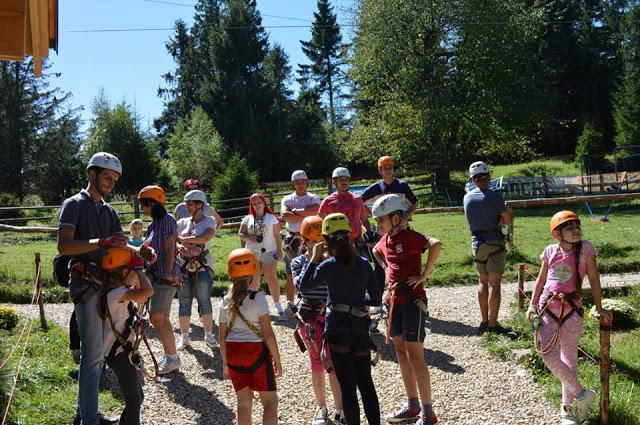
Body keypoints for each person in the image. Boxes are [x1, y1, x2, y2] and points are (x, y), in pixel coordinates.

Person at [526, 211, 612, 425]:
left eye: (577, 226)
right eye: (569, 227)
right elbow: (541, 280)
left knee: (570, 360)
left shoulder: (585, 249)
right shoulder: (549, 251)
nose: (575, 230)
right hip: (548, 310)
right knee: (549, 357)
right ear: (557, 234)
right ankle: (583, 395)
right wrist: (532, 304)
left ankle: (568, 410)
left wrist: (599, 307)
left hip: (572, 310)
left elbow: (593, 278)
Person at [57, 151, 124, 425]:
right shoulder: (73, 204)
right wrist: (100, 241)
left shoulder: (109, 211)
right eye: (107, 177)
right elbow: (64, 246)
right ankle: (89, 421)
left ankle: (83, 414)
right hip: (86, 285)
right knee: (93, 356)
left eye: (115, 179)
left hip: (107, 286)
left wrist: (140, 252)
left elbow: (118, 244)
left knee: (96, 355)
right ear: (92, 174)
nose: (111, 183)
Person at [300, 213, 382, 425]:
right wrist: (356, 298)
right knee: (366, 385)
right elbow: (375, 298)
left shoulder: (328, 266)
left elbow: (304, 287)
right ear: (350, 237)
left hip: (337, 329)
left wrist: (314, 258)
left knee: (348, 388)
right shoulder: (364, 264)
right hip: (359, 329)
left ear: (326, 241)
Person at [371, 194, 442, 425]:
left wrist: (424, 275)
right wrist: (386, 269)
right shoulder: (385, 239)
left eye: (380, 220)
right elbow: (376, 252)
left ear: (394, 218)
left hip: (412, 301)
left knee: (415, 356)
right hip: (394, 302)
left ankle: (428, 413)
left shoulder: (409, 237)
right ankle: (413, 406)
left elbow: (436, 244)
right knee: (401, 353)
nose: (377, 225)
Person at [291, 215, 345, 425]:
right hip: (310, 317)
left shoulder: (332, 262)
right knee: (316, 363)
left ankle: (340, 409)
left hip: (331, 315)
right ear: (304, 241)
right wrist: (313, 260)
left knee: (332, 362)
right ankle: (321, 407)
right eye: (313, 242)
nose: (318, 246)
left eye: (320, 241)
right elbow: (301, 285)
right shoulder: (298, 262)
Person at [219, 248, 282, 425]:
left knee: (243, 405)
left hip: (233, 353)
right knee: (270, 402)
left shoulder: (225, 301)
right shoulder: (258, 298)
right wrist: (277, 359)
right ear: (253, 271)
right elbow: (268, 334)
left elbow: (222, 336)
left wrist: (225, 363)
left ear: (230, 271)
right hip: (256, 353)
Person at [98, 246, 153, 425]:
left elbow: (142, 297)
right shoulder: (117, 294)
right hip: (120, 354)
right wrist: (138, 269)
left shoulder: (115, 292)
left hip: (120, 352)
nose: (138, 276)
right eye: (134, 272)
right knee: (134, 400)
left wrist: (135, 271)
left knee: (138, 396)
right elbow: (148, 292)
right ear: (123, 271)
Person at [463, 161, 512, 334]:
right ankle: (493, 324)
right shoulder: (495, 197)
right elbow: (506, 220)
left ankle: (484, 321)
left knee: (482, 282)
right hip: (495, 241)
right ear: (489, 176)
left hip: (477, 243)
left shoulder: (467, 197)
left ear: (472, 179)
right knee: (495, 284)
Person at [138, 185, 182, 375]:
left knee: (157, 318)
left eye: (144, 205)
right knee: (161, 317)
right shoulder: (153, 224)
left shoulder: (167, 221)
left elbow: (170, 247)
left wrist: (169, 272)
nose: (142, 209)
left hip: (166, 273)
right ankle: (171, 356)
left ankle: (172, 358)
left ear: (152, 204)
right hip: (156, 272)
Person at [175, 189, 218, 350]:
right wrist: (180, 247)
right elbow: (174, 241)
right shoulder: (182, 223)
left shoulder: (209, 221)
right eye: (187, 204)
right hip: (184, 265)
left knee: (204, 300)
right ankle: (184, 337)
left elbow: (205, 237)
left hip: (202, 265)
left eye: (191, 204)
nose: (188, 207)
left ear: (200, 205)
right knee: (184, 302)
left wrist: (183, 240)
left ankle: (208, 335)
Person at [280, 170, 320, 322]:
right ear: (293, 184)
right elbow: (284, 215)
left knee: (313, 268)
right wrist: (305, 213)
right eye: (297, 182)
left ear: (306, 182)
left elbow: (315, 210)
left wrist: (295, 212)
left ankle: (313, 301)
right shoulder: (287, 198)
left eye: (303, 181)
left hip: (311, 238)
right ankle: (290, 305)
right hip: (293, 238)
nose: (300, 184)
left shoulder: (313, 197)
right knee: (291, 272)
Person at [238, 193, 284, 318]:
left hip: (269, 252)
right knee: (254, 281)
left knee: (272, 278)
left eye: (259, 203)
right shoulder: (248, 219)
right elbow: (241, 234)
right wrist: (249, 238)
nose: (257, 205)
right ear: (252, 205)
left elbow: (277, 235)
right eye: (255, 204)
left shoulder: (271, 218)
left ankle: (278, 304)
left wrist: (279, 251)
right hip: (252, 253)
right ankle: (253, 306)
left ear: (264, 203)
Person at [361, 156, 418, 228]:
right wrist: (374, 216)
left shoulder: (402, 186)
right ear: (380, 170)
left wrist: (405, 218)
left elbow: (413, 205)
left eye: (390, 168)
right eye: (385, 168)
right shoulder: (374, 188)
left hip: (401, 227)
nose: (388, 171)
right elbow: (360, 203)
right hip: (382, 229)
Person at [318, 167, 371, 241]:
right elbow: (321, 223)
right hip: (336, 243)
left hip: (357, 241)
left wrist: (369, 234)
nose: (344, 182)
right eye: (340, 180)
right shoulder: (327, 201)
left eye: (346, 179)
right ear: (334, 182)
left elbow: (364, 220)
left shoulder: (357, 199)